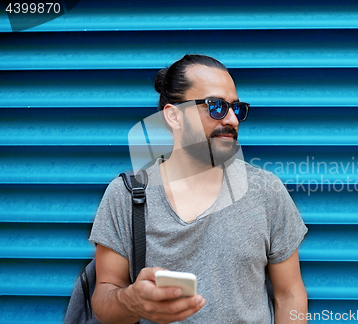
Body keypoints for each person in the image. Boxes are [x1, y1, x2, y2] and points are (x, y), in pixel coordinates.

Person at [90, 54, 308, 323]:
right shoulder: (127, 194)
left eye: (236, 108)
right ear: (173, 116)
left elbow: (289, 294)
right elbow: (103, 298)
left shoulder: (266, 191)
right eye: (216, 106)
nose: (233, 120)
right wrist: (132, 301)